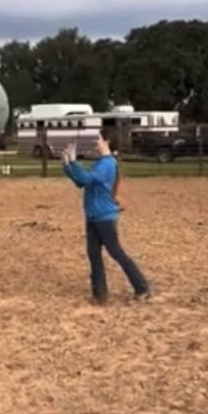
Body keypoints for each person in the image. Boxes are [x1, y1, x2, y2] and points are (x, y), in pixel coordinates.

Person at [61, 129, 151, 305]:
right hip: (93, 216)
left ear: (108, 141)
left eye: (99, 139)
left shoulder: (107, 164)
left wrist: (73, 162)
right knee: (94, 254)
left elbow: (86, 179)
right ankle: (100, 294)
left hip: (104, 217)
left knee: (116, 253)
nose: (96, 143)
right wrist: (67, 166)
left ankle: (142, 287)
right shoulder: (101, 163)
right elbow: (81, 182)